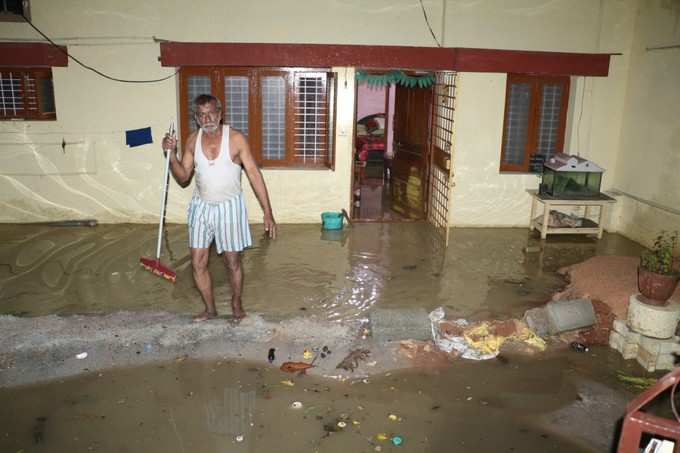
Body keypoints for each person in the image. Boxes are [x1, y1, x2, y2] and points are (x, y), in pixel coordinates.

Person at [162, 94, 277, 323]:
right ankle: (210, 309)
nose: (208, 118)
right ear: (196, 118)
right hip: (202, 206)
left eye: (211, 113)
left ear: (220, 113)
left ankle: (236, 304)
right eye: (202, 114)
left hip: (230, 207)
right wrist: (171, 155)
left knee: (232, 261)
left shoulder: (235, 139)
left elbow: (253, 174)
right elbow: (183, 176)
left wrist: (268, 212)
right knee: (198, 262)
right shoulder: (193, 140)